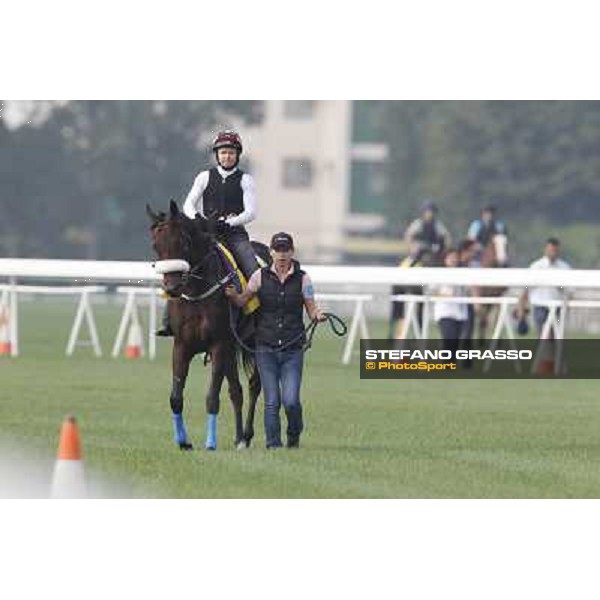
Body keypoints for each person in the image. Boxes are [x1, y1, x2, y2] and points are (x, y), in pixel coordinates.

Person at [225, 232, 326, 449]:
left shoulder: (303, 278)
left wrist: (317, 314)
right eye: (277, 250)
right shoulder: (259, 277)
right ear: (271, 252)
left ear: (292, 252)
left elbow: (310, 307)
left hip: (292, 349)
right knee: (272, 402)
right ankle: (273, 445)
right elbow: (244, 301)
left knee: (291, 401)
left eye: (285, 250)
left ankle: (294, 432)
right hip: (265, 348)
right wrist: (233, 296)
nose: (281, 254)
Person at [157, 130, 260, 336]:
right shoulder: (204, 177)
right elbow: (189, 204)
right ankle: (169, 319)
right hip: (206, 233)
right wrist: (197, 219)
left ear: (237, 155)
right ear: (217, 155)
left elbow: (251, 212)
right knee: (180, 266)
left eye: (231, 152)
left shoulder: (245, 180)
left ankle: (257, 317)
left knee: (253, 269)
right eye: (223, 152)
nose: (227, 156)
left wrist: (229, 223)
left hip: (234, 235)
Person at [517, 237, 571, 335]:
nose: (553, 253)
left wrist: (560, 287)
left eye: (555, 250)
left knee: (556, 335)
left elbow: (569, 291)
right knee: (543, 335)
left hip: (558, 306)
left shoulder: (564, 267)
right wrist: (521, 308)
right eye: (550, 250)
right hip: (540, 306)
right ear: (545, 250)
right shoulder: (536, 266)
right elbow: (526, 288)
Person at [432, 248, 469, 359]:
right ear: (445, 259)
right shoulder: (438, 274)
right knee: (449, 337)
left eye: (455, 257)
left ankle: (449, 365)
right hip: (445, 311)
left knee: (455, 341)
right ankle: (446, 363)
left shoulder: (463, 273)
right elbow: (432, 292)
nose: (453, 260)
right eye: (451, 257)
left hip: (460, 313)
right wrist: (446, 296)